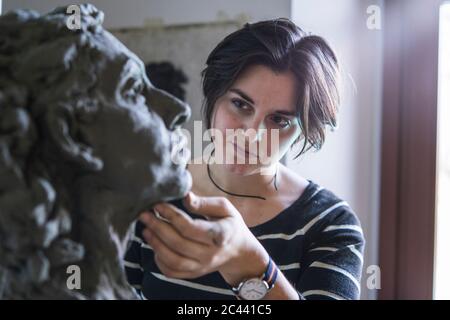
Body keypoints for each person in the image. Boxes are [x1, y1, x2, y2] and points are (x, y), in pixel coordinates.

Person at [124, 18, 365, 300]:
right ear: (214, 95)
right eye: (240, 104)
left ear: (303, 131)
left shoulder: (329, 223)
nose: (252, 135)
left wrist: (247, 260)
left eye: (279, 119)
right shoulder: (150, 192)